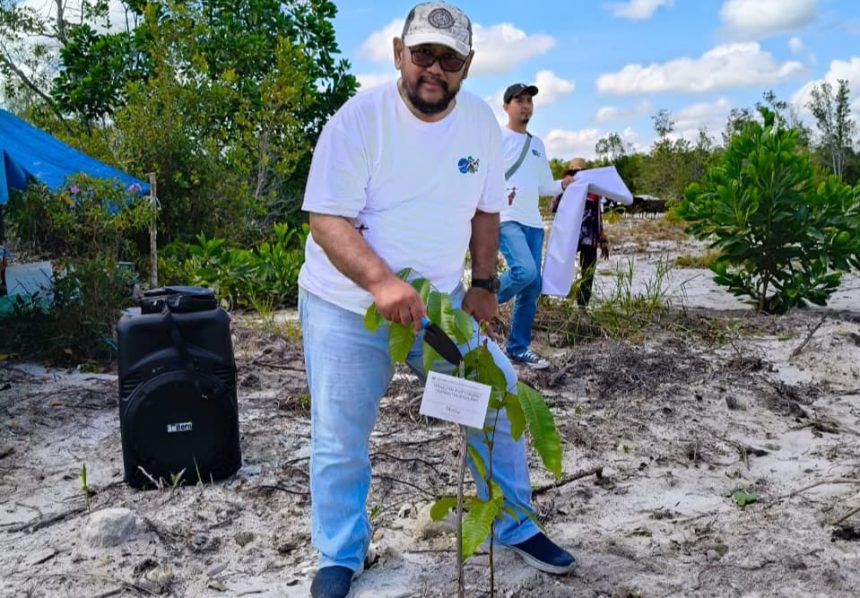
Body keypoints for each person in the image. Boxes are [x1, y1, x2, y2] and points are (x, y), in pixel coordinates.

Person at [297, 4, 575, 597]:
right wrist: (380, 282)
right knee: (341, 436)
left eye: (449, 59)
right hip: (346, 305)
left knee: (495, 395)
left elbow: (485, 208)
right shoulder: (358, 120)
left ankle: (512, 522)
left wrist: (483, 282)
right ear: (399, 52)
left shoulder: (478, 123)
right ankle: (342, 554)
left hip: (438, 307)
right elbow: (326, 219)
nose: (434, 68)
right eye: (423, 54)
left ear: (467, 66)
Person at [497, 83, 572, 369]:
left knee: (532, 286)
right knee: (524, 271)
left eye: (529, 101)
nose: (525, 105)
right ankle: (480, 301)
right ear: (506, 106)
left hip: (533, 222)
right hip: (506, 217)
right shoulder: (496, 137)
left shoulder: (537, 144)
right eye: (519, 100)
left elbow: (543, 186)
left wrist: (563, 185)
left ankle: (517, 348)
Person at [550, 157, 610, 307]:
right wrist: (563, 189)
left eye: (582, 171)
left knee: (588, 273)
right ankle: (549, 297)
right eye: (575, 171)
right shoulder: (564, 187)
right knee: (558, 267)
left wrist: (602, 238)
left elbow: (598, 215)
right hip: (569, 237)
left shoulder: (594, 190)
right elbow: (552, 209)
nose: (579, 174)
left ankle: (582, 306)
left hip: (589, 238)